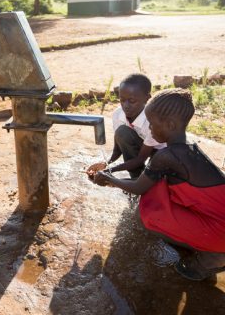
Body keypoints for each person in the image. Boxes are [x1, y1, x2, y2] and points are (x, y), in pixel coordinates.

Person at [93, 88, 225, 281]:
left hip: (220, 230)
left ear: (170, 124)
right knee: (159, 190)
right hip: (218, 218)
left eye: (152, 124)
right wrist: (111, 177)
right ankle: (206, 247)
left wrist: (108, 179)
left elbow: (139, 187)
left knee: (150, 215)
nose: (150, 129)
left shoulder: (167, 157)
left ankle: (210, 258)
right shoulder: (187, 150)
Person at [87, 73, 165, 179]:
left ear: (147, 98)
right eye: (122, 100)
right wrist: (106, 163)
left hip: (163, 153)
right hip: (144, 147)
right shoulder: (118, 115)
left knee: (157, 177)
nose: (126, 106)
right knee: (122, 133)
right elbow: (118, 148)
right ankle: (136, 179)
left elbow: (140, 159)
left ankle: (140, 184)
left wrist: (109, 171)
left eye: (132, 101)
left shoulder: (151, 121)